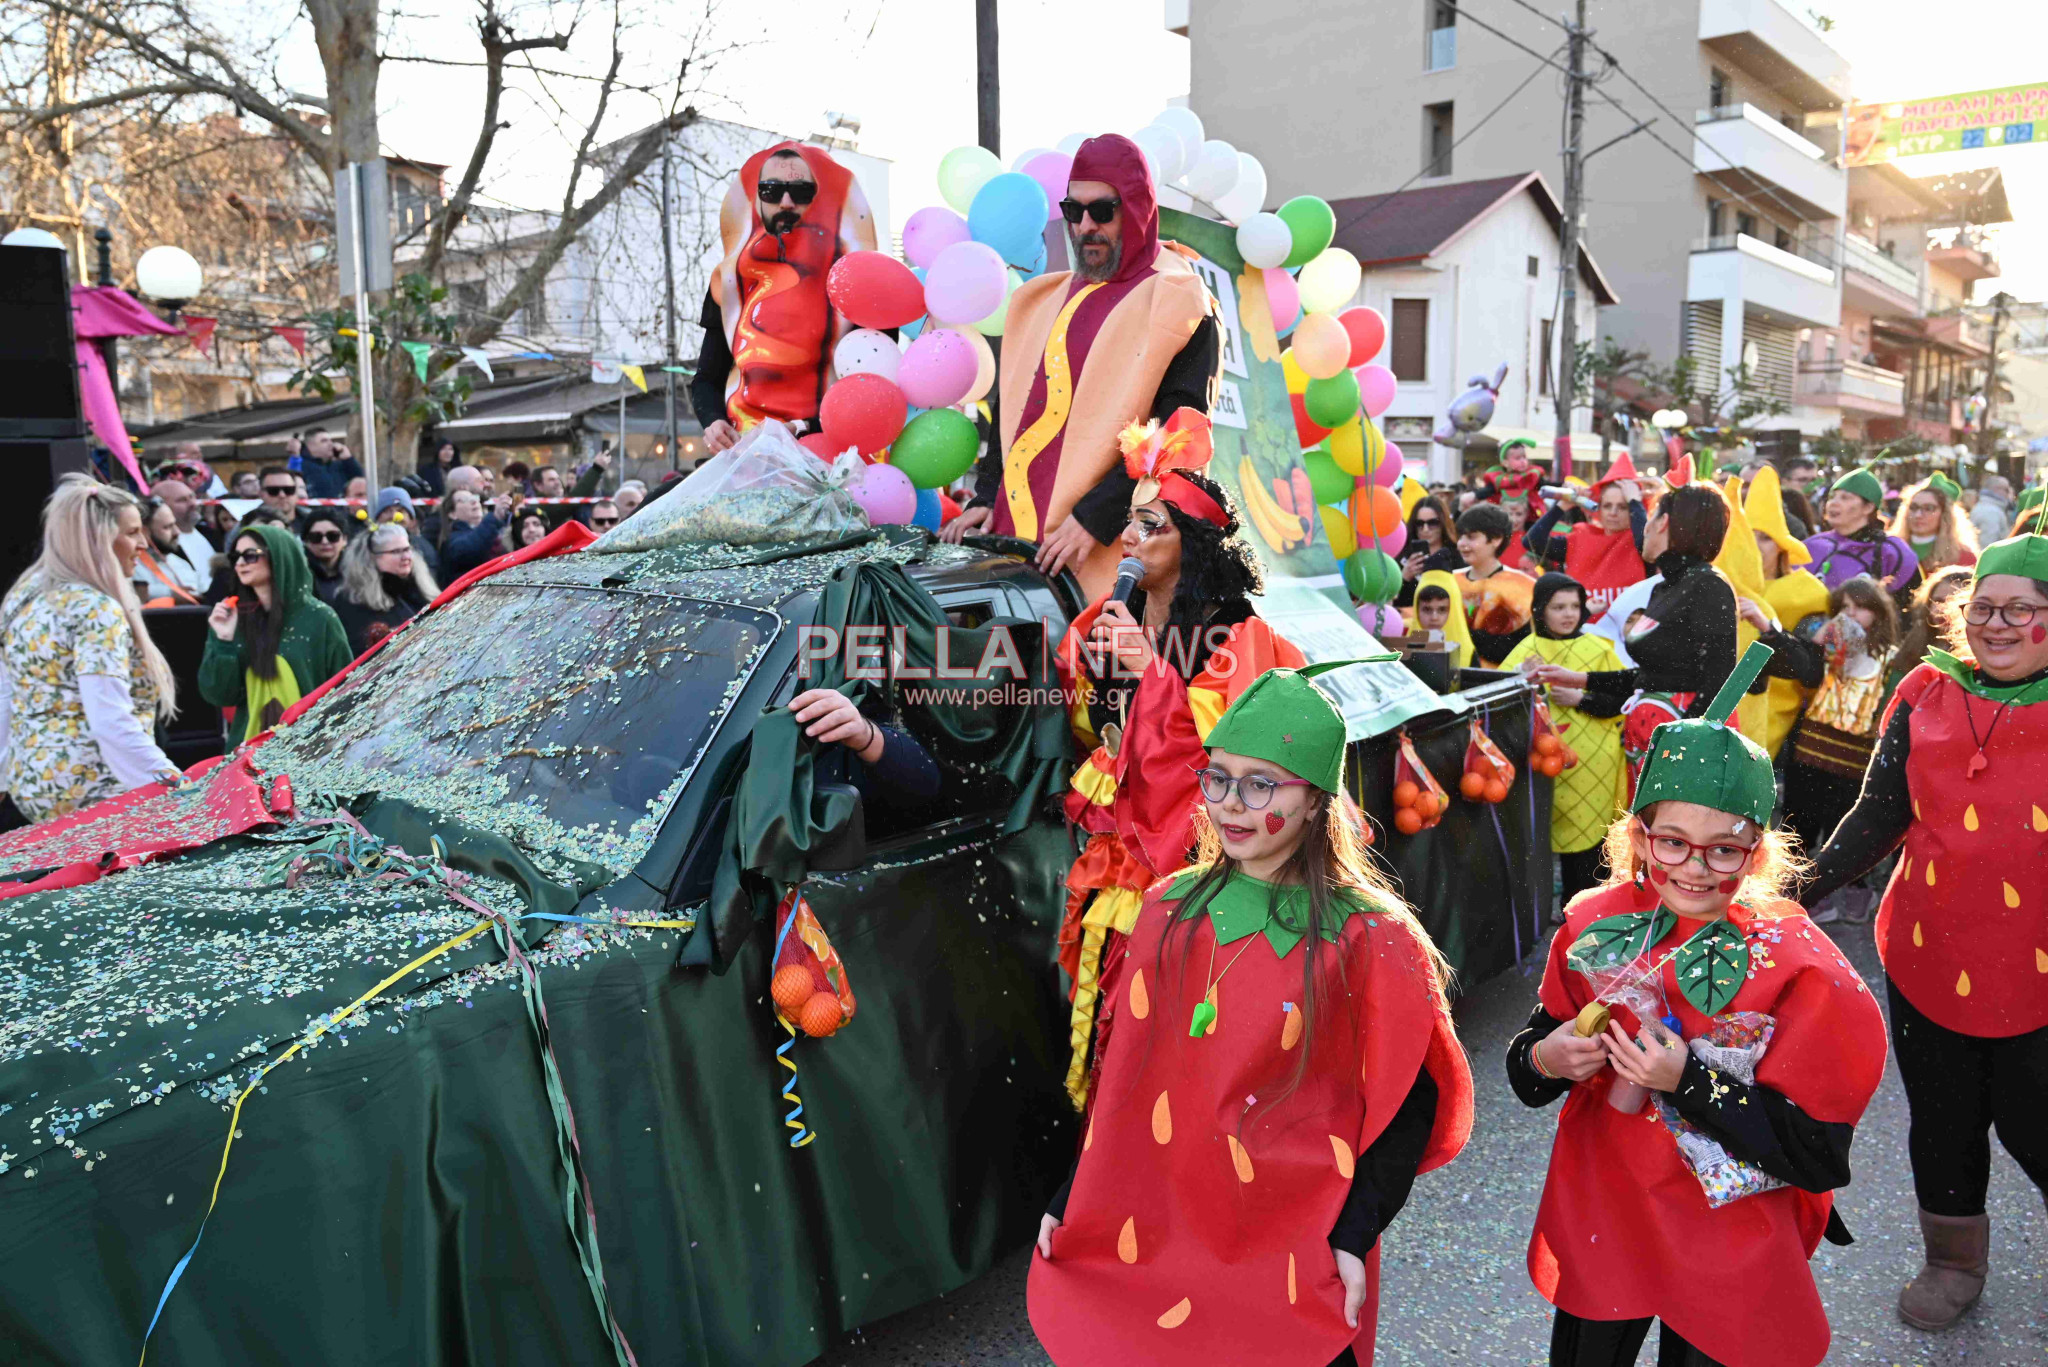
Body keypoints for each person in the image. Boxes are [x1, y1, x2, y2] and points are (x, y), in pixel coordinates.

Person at [1029, 664, 1472, 1367]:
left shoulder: (1371, 936)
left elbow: (1410, 1103)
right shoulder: (1170, 907)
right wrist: (1076, 1194)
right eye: (1219, 777)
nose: (1232, 803)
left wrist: (1354, 1232)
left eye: (1261, 783)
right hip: (1168, 1229)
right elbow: (1129, 1085)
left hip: (1300, 1238)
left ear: (1315, 802)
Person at [1508, 643, 1886, 1367]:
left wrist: (1687, 1076)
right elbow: (1527, 1067)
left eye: (1724, 851)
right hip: (1609, 1207)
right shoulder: (1594, 926)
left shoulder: (1799, 965)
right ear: (1640, 836)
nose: (1692, 866)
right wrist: (1547, 1056)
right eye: (1672, 842)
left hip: (1728, 1229)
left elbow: (1814, 1151)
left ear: (1758, 850)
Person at [1799, 534, 2048, 1332]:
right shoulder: (1923, 689)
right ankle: (1953, 1259)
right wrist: (1789, 889)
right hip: (1927, 952)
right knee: (1942, 1118)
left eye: (2020, 610)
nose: (1996, 624)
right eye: (1982, 607)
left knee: (2036, 1123)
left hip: (2040, 969)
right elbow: (1878, 814)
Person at [1052, 411, 1304, 1110]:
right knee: (1108, 1035)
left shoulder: (1243, 638)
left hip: (1199, 875)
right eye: (1130, 523)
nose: (1129, 538)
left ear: (1194, 543)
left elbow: (1230, 763)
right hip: (1117, 862)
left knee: (1179, 1046)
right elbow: (1079, 731)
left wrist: (1152, 671)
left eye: (1151, 525)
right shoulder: (1106, 616)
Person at [946, 133, 1221, 599]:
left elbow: (1177, 435)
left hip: (1107, 561)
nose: (1085, 226)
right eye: (1074, 211)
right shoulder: (1039, 300)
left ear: (1136, 207)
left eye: (1102, 210)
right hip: (1014, 557)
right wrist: (986, 496)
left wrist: (1095, 518)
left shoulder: (1179, 298)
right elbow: (1013, 410)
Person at [1529, 484, 1739, 790]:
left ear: (1664, 523)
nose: (1644, 528)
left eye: (1650, 516)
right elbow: (1650, 677)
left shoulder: (1708, 585)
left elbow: (1721, 682)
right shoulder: (1664, 587)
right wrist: (1580, 679)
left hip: (1682, 752)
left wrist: (1686, 748)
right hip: (1649, 739)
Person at [0, 476, 182, 822]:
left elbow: (6, 700)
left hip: (34, 789)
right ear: (97, 540)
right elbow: (109, 720)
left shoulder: (22, 597)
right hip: (98, 791)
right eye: (131, 533)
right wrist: (176, 788)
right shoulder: (96, 609)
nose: (144, 543)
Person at [691, 141, 879, 451]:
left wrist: (805, 427)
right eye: (771, 191)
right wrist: (713, 422)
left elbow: (872, 384)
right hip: (745, 451)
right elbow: (707, 377)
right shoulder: (729, 281)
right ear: (757, 201)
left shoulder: (858, 281)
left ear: (820, 200)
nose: (787, 202)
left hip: (830, 454)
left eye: (802, 192)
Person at [1755, 576, 1899, 924]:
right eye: (1843, 608)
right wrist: (1820, 637)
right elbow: (1805, 668)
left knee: (1844, 829)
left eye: (1858, 608)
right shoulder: (1828, 650)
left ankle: (1849, 893)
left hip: (1856, 761)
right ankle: (1795, 891)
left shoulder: (1891, 658)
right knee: (1799, 824)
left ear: (1877, 613)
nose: (1849, 615)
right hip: (1811, 751)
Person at [1501, 574, 1628, 913]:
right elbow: (1497, 709)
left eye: (1575, 606)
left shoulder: (1600, 649)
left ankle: (1583, 915)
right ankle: (1538, 921)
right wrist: (1517, 677)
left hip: (1592, 767)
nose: (1569, 614)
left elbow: (1623, 701)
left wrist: (1582, 698)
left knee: (1588, 848)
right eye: (1559, 607)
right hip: (1539, 764)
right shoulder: (1524, 652)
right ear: (1540, 610)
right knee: (1536, 843)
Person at [199, 523, 353, 745]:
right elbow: (220, 696)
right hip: (247, 760)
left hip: (311, 755)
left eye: (251, 555)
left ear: (280, 557)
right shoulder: (232, 618)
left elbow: (345, 692)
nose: (240, 563)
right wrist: (223, 641)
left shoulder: (320, 618)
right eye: (236, 556)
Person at [1736, 467, 1830, 761]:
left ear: (1781, 546)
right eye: (1748, 536)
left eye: (1764, 538)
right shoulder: (1722, 582)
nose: (1755, 545)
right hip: (1720, 707)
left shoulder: (1808, 593)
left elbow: (1812, 670)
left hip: (1774, 713)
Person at [1524, 455, 1647, 619]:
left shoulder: (1641, 540)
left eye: (1623, 507)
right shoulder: (1581, 538)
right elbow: (1532, 541)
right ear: (1598, 509)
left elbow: (1644, 542)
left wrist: (1635, 501)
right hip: (1586, 634)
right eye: (1607, 505)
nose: (1613, 512)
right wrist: (1562, 506)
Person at [1803, 465, 1919, 606]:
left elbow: (1909, 608)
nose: (1833, 503)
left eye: (1845, 498)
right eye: (1832, 497)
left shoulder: (1893, 551)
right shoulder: (1811, 545)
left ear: (1868, 507)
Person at [331, 523, 440, 658]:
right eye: (395, 551)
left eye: (407, 549)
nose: (405, 556)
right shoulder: (352, 602)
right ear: (372, 557)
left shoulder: (419, 590)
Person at [1452, 502, 1535, 667]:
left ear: (1496, 539)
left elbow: (1519, 646)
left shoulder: (1521, 586)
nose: (1462, 543)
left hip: (1499, 679)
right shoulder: (1451, 580)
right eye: (1461, 536)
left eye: (1471, 537)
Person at [1891, 473, 1978, 575]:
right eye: (1913, 507)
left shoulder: (1963, 557)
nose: (1918, 515)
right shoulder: (1888, 549)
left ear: (1945, 515)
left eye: (1929, 508)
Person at [132, 496, 204, 605]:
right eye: (167, 527)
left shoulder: (182, 564)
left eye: (174, 524)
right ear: (145, 532)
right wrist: (170, 594)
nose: (177, 532)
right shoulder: (132, 566)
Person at [1393, 494, 1460, 607]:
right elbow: (1395, 603)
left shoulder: (1456, 555)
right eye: (1419, 524)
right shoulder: (1403, 557)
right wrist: (1404, 578)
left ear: (1443, 523)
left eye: (1432, 523)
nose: (1425, 529)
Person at [149, 476, 218, 584]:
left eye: (192, 497)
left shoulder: (209, 533)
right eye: (182, 500)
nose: (193, 504)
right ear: (163, 507)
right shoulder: (165, 546)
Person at [438, 486, 511, 580]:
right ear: (452, 514)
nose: (474, 501)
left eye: (474, 497)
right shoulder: (452, 540)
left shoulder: (490, 529)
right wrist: (495, 517)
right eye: (463, 500)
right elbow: (472, 547)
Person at [1408, 570, 1474, 669]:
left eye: (1442, 610)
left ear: (1451, 612)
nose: (1434, 618)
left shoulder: (1468, 654)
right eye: (1427, 609)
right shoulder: (1401, 650)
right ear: (1417, 612)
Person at [373, 486, 441, 579]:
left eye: (401, 511)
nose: (394, 516)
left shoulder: (424, 548)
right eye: (387, 511)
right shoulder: (367, 547)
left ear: (412, 520)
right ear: (377, 518)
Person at [299, 510, 351, 605]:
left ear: (345, 539)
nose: (325, 542)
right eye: (316, 537)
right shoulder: (297, 574)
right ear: (306, 541)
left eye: (333, 536)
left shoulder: (358, 572)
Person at [297, 428, 364, 501]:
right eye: (324, 441)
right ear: (310, 446)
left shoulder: (339, 465)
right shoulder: (301, 467)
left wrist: (348, 459)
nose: (331, 444)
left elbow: (361, 481)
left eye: (330, 440)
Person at [1967, 473, 2012, 545]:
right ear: (1996, 489)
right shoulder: (1991, 512)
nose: (2008, 493)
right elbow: (1987, 545)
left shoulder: (1984, 507)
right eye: (2006, 490)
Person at [258, 465, 305, 531]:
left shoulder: (312, 520)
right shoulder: (249, 524)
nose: (282, 495)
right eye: (273, 491)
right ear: (261, 494)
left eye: (288, 490)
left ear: (296, 492)